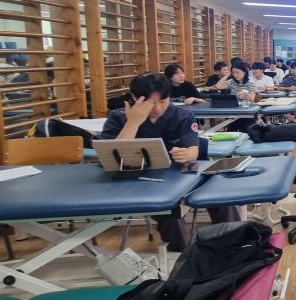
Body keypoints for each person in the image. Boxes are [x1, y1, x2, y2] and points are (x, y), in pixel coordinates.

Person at [98, 72, 239, 252]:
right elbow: (111, 158)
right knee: (169, 212)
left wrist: (187, 154)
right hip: (139, 180)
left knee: (220, 197)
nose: (157, 108)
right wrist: (133, 122)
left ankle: (236, 247)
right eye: (150, 103)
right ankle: (181, 256)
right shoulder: (118, 117)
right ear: (134, 98)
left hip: (181, 172)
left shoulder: (181, 115)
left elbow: (194, 149)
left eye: (163, 102)